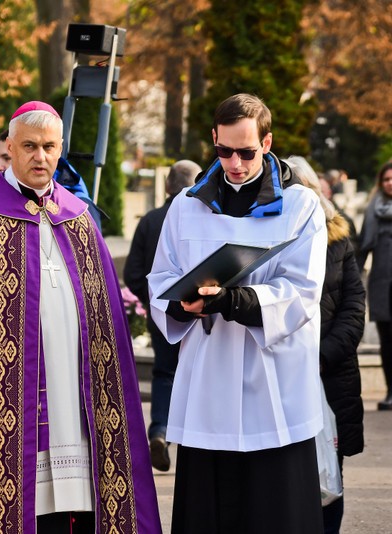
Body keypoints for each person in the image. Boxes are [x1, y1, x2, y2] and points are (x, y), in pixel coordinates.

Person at [0, 101, 161, 534]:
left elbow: (106, 324)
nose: (40, 157)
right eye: (29, 146)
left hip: (73, 407)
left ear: (60, 151)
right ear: (9, 146)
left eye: (49, 147)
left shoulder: (80, 220)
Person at [148, 93, 327, 533]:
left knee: (275, 513)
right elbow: (160, 279)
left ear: (267, 143)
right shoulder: (186, 206)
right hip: (208, 382)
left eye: (246, 152)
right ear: (213, 139)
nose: (235, 164)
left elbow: (302, 292)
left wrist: (232, 301)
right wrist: (181, 303)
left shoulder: (301, 206)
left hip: (273, 387)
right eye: (224, 150)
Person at [287, 156, 365, 533]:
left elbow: (353, 310)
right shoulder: (272, 239)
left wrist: (319, 357)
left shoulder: (338, 240)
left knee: (328, 473)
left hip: (329, 376)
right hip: (282, 375)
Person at [123, 159, 201, 472]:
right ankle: (195, 441)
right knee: (198, 374)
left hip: (162, 312)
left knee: (165, 372)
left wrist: (153, 299)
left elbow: (133, 272)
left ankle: (160, 430)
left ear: (167, 185)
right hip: (201, 314)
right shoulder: (202, 220)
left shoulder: (151, 220)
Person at [357, 162, 392, 411]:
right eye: (387, 179)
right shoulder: (373, 211)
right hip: (382, 286)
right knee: (387, 342)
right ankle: (391, 391)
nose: (390, 183)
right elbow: (362, 249)